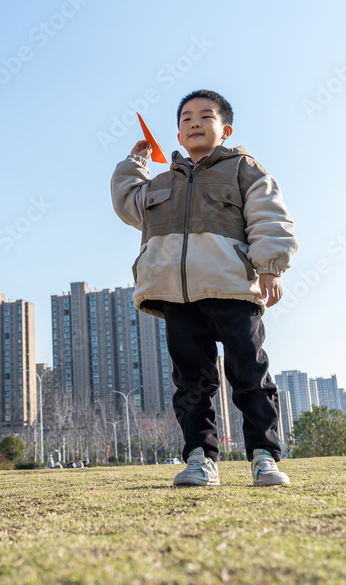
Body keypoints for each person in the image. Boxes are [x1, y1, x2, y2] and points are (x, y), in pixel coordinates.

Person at [110, 89, 297, 487]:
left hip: (232, 289)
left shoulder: (244, 169)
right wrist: (135, 162)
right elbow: (128, 202)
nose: (195, 122)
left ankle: (264, 456)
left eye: (206, 116)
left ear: (225, 130)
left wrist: (270, 267)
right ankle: (200, 458)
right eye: (186, 118)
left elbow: (268, 216)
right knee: (191, 383)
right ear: (178, 135)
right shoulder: (162, 182)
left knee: (249, 372)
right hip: (176, 297)